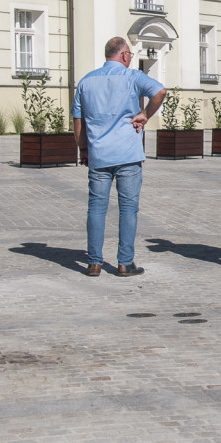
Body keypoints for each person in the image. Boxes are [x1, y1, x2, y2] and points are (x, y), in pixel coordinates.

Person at [72, 37, 166, 277]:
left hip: (99, 154)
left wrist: (83, 149)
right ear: (124, 55)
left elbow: (78, 120)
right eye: (130, 55)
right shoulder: (132, 77)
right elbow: (160, 91)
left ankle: (94, 262)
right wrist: (145, 114)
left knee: (96, 208)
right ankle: (125, 262)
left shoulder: (86, 81)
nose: (130, 59)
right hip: (127, 154)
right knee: (128, 209)